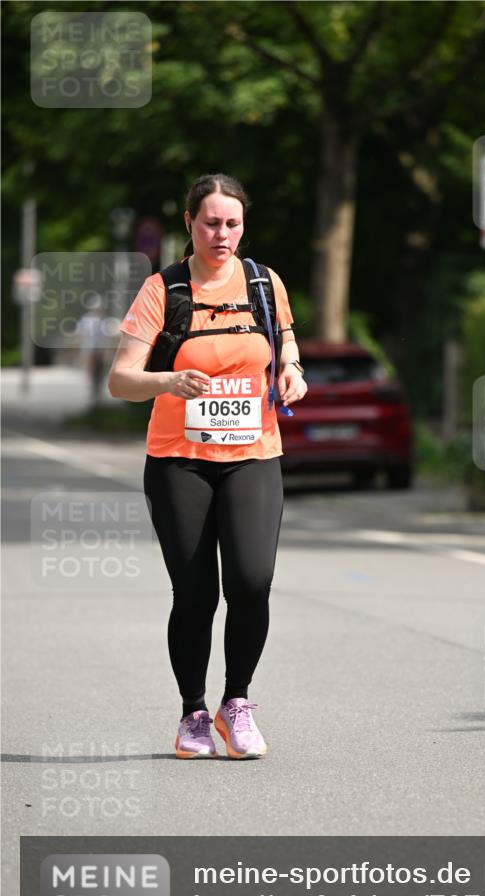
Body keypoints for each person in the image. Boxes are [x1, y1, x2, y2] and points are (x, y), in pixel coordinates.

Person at [107, 173, 307, 760]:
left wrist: (291, 372)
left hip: (253, 454)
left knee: (252, 582)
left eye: (233, 223)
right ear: (190, 223)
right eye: (211, 223)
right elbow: (120, 379)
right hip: (179, 463)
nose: (223, 234)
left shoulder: (264, 284)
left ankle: (235, 704)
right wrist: (168, 379)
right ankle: (193, 712)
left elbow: (285, 343)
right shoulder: (163, 289)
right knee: (196, 595)